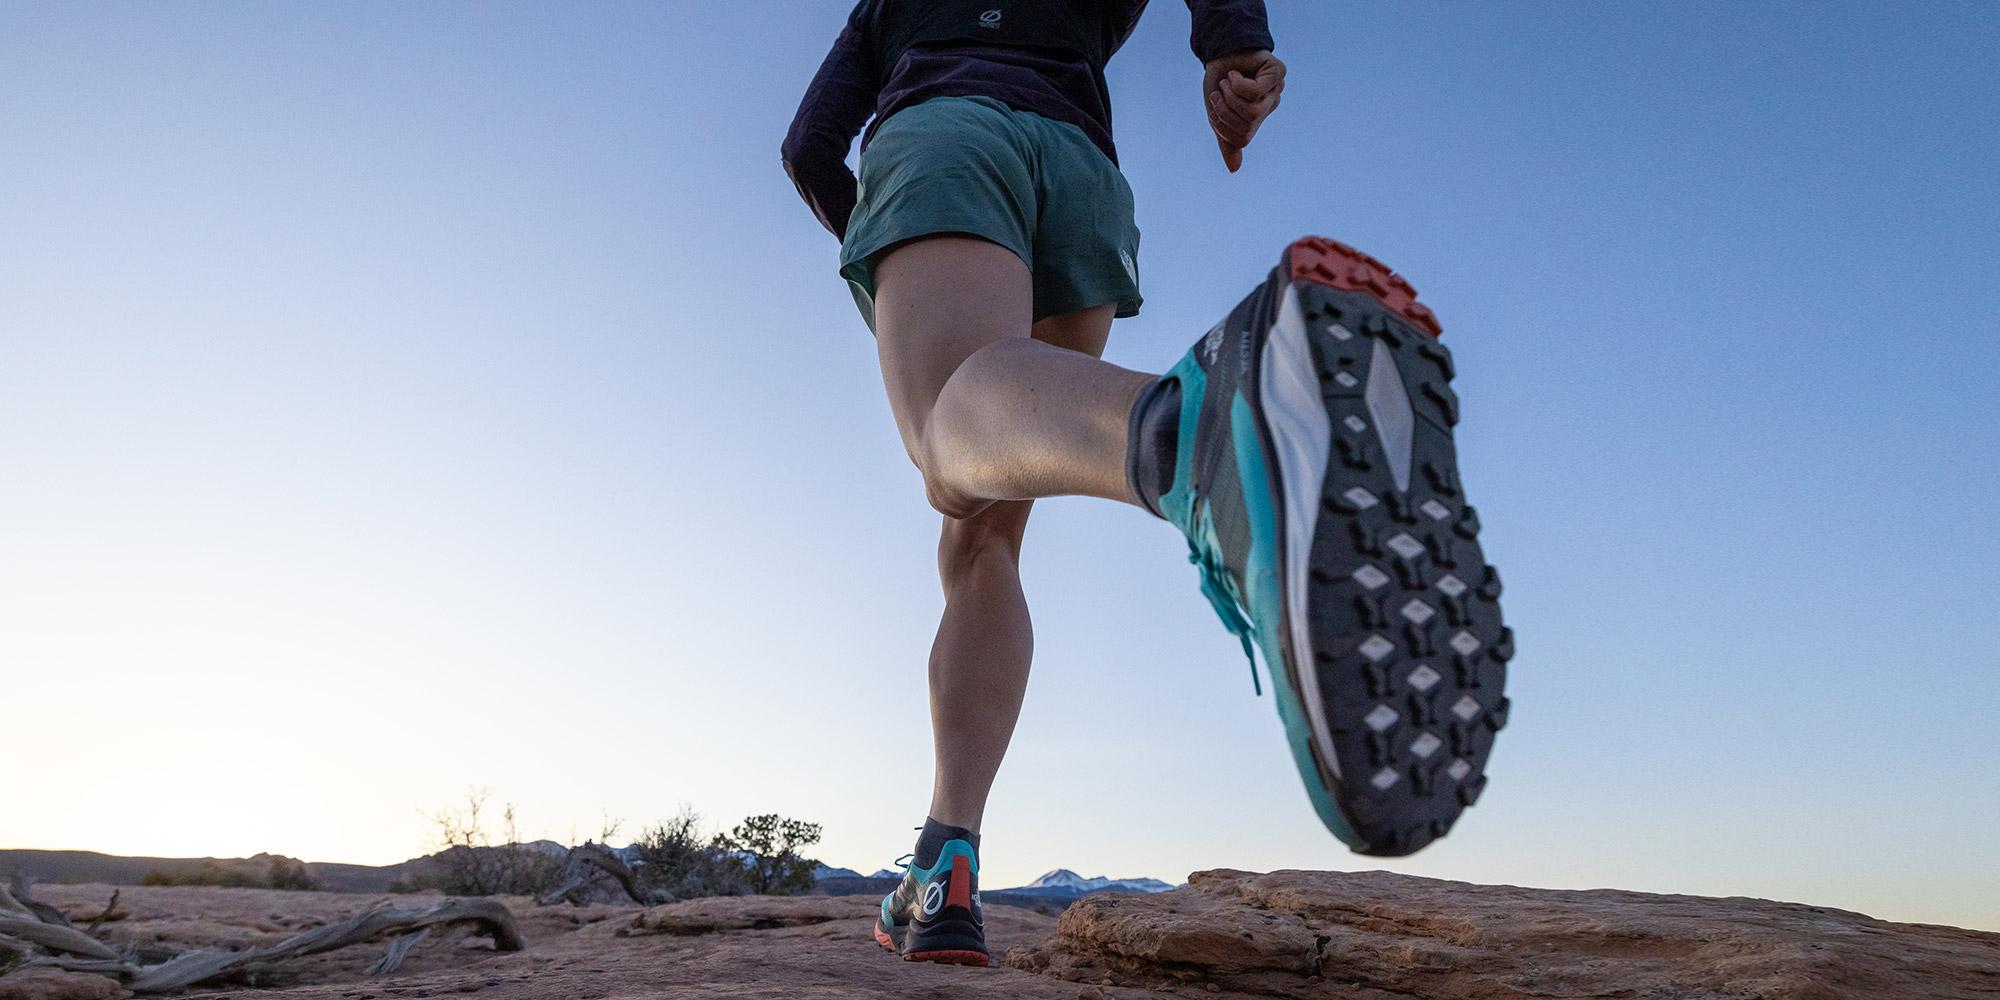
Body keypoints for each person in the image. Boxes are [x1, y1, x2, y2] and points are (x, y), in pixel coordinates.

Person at [782, 0, 1511, 967]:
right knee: (987, 533)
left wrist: (884, 236)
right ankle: (946, 856)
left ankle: (1196, 430)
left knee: (948, 445)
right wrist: (1234, 46)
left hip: (946, 149)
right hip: (1082, 180)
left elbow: (810, 144)